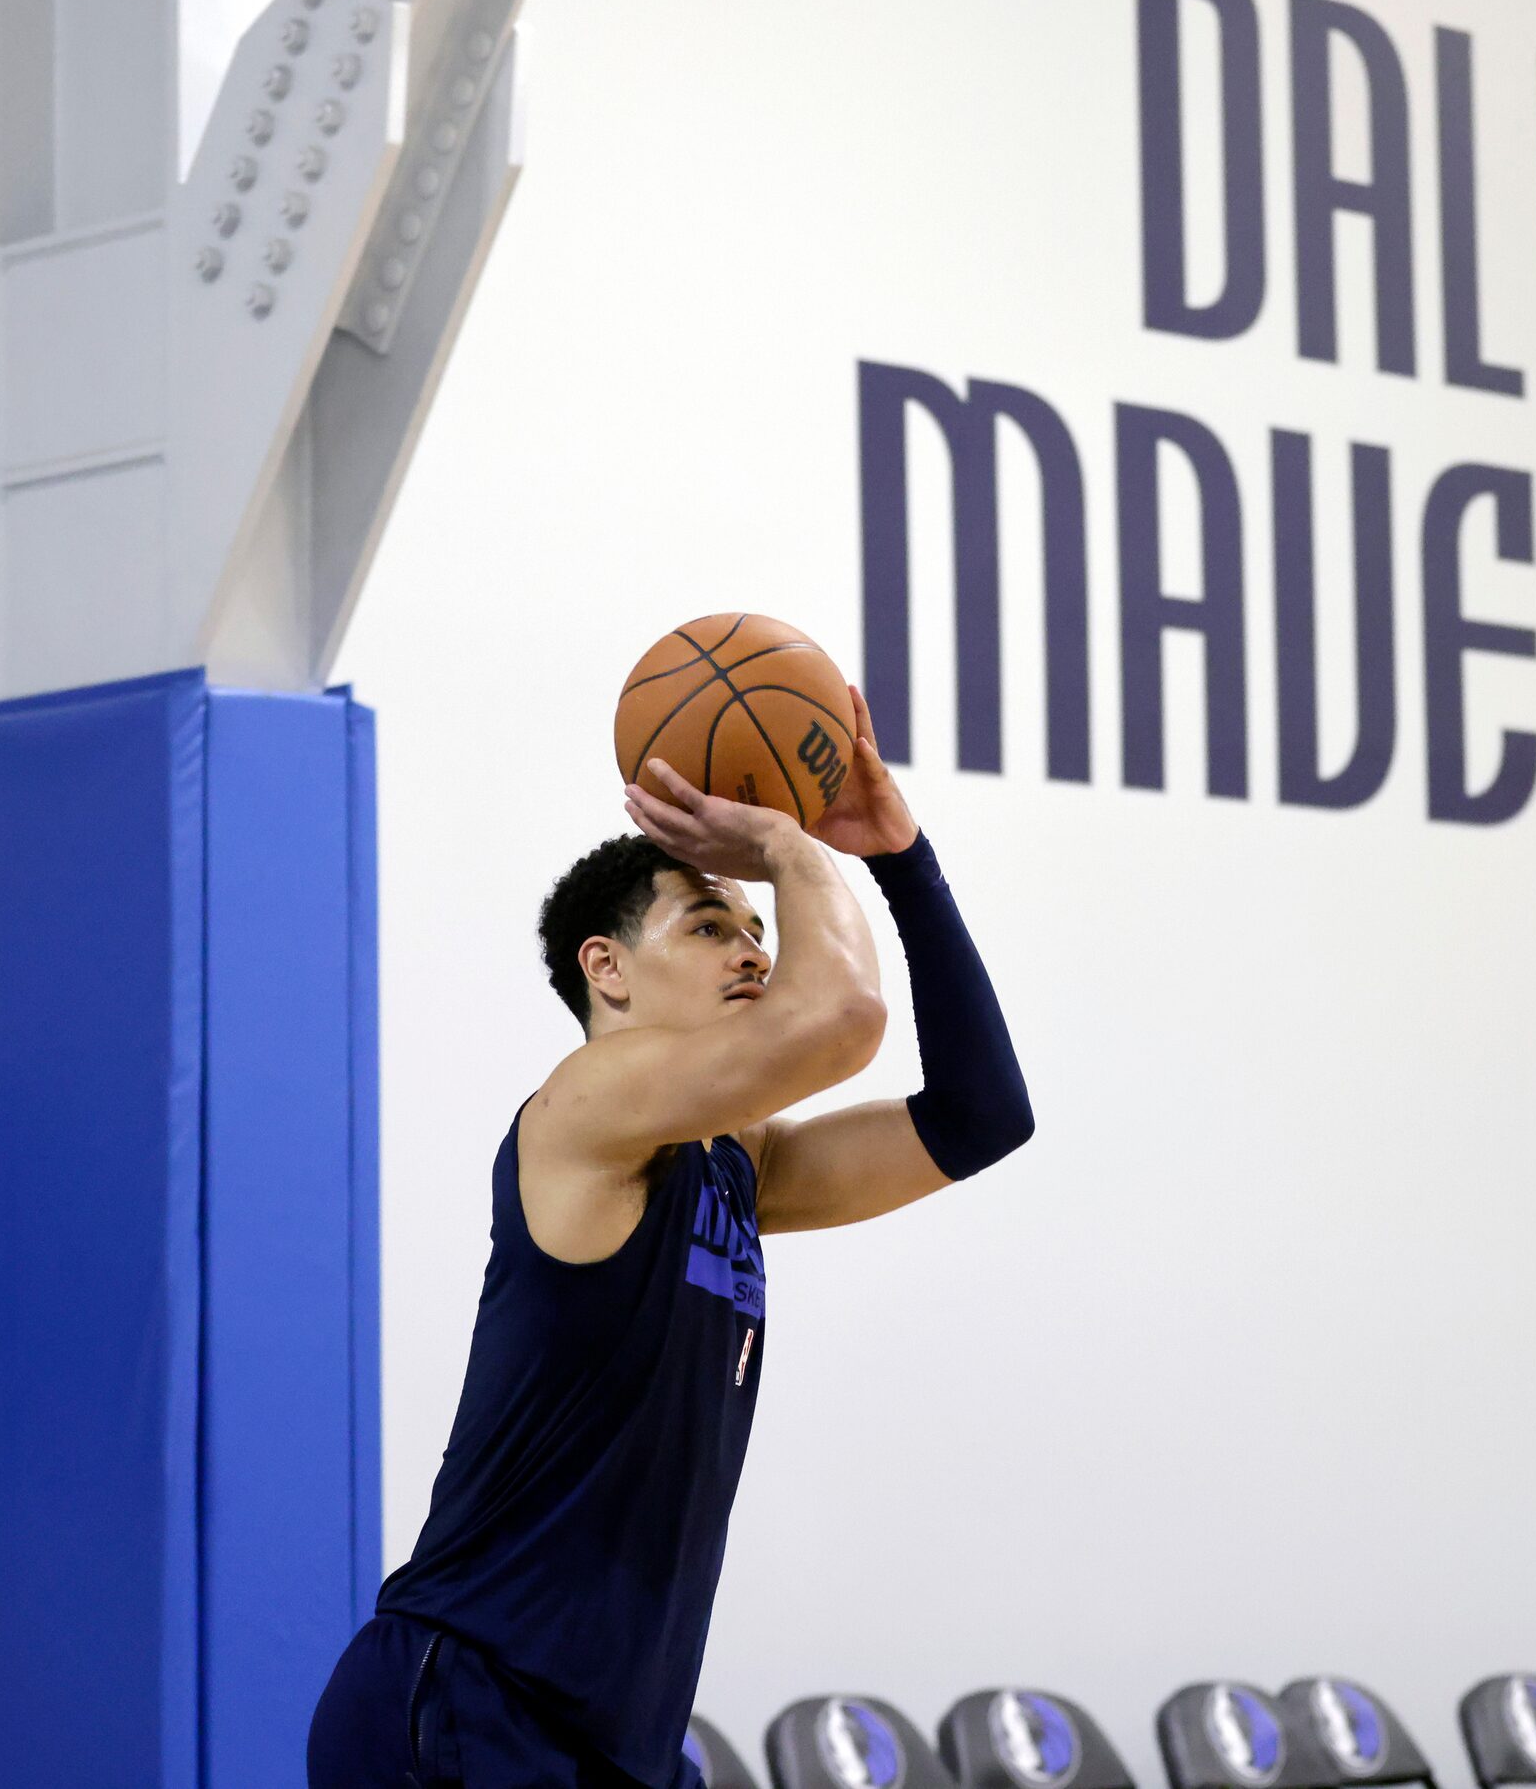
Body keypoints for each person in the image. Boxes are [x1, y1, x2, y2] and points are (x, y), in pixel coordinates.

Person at [308, 686, 1033, 1787]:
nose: (752, 950)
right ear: (607, 969)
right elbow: (840, 1018)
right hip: (470, 1699)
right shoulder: (583, 1110)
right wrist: (787, 845)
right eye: (709, 926)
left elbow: (983, 1116)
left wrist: (900, 856)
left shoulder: (739, 1166)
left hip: (615, 1743)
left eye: (754, 929)